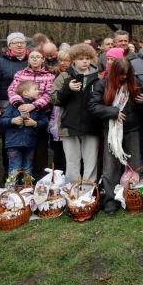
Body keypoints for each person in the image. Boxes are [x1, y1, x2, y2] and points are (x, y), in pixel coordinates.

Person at [88, 58, 143, 215]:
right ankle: (111, 201)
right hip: (111, 131)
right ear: (114, 73)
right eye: (121, 75)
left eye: (127, 75)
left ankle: (134, 197)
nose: (124, 78)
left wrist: (142, 102)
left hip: (132, 129)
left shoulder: (136, 82)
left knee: (135, 165)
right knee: (110, 167)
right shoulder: (102, 84)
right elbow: (93, 106)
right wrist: (113, 112)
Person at [51, 43, 101, 184]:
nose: (85, 61)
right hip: (69, 125)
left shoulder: (99, 78)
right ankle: (72, 194)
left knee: (91, 162)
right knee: (72, 162)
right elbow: (54, 99)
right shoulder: (64, 76)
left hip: (92, 125)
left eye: (87, 58)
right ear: (73, 60)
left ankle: (88, 194)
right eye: (81, 58)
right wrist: (68, 88)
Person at [6, 49, 55, 179]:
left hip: (40, 112)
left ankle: (38, 180)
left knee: (39, 150)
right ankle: (14, 182)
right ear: (28, 59)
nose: (34, 59)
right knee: (17, 150)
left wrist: (34, 105)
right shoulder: (20, 74)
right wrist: (20, 105)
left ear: (43, 59)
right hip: (19, 110)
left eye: (38, 57)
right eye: (32, 57)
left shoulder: (49, 75)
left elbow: (48, 94)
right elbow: (12, 90)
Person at [0, 32, 29, 175]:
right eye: (15, 43)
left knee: (28, 139)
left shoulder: (32, 59)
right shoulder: (0, 62)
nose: (19, 45)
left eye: (22, 42)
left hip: (31, 105)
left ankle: (28, 173)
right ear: (9, 46)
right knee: (10, 141)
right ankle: (10, 173)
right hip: (7, 107)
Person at [0, 81, 49, 177]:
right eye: (35, 89)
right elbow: (3, 120)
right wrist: (12, 121)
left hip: (30, 143)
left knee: (28, 168)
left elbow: (45, 122)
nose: (38, 91)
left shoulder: (37, 107)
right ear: (25, 93)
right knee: (15, 168)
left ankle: (26, 190)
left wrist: (35, 123)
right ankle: (12, 190)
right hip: (14, 143)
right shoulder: (13, 106)